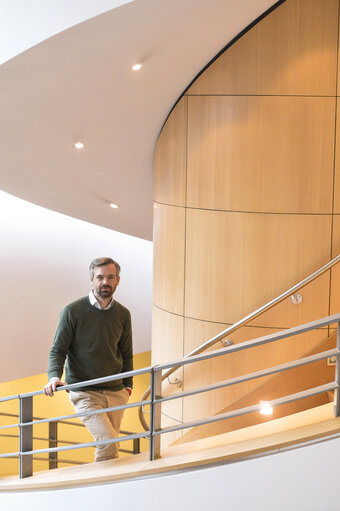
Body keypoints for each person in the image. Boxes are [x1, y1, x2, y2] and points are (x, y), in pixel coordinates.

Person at [43, 257, 133, 462]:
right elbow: (57, 350)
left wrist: (128, 386)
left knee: (109, 448)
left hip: (116, 392)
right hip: (84, 392)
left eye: (110, 277)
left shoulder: (123, 314)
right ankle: (104, 488)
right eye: (100, 277)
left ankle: (105, 489)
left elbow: (126, 353)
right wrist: (53, 377)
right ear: (91, 279)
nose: (105, 282)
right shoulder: (72, 311)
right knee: (108, 442)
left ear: (118, 280)